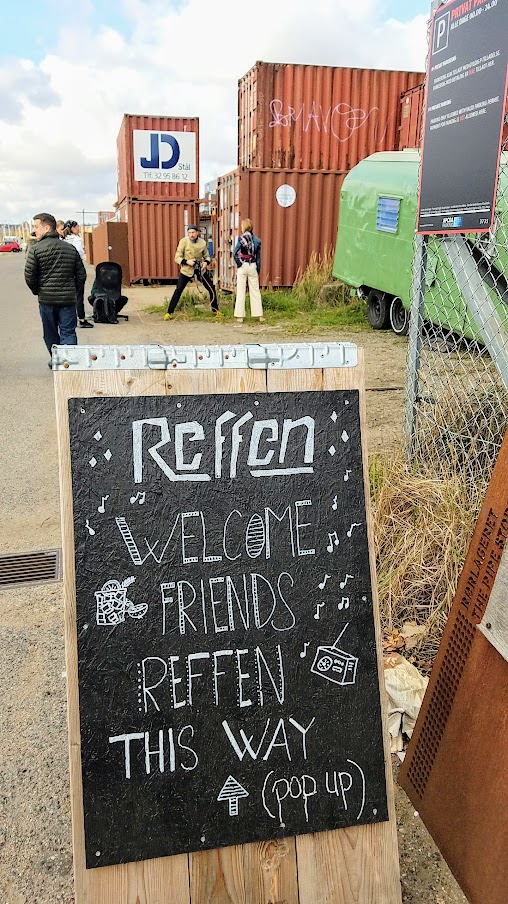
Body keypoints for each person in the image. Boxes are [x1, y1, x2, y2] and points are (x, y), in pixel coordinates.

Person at [24, 212, 87, 368]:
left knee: (50, 334)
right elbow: (81, 275)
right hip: (67, 300)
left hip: (46, 301)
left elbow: (29, 275)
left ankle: (57, 360)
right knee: (68, 333)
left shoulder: (36, 249)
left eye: (37, 227)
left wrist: (38, 291)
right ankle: (68, 364)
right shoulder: (70, 249)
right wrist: (73, 290)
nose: (35, 230)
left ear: (47, 228)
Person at [164, 224, 219, 320]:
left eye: (193, 232)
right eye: (189, 233)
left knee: (211, 288)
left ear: (197, 233)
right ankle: (169, 312)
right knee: (178, 290)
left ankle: (216, 310)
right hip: (186, 270)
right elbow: (177, 257)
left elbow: (207, 256)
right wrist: (186, 261)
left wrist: (206, 262)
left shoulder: (202, 243)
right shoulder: (183, 242)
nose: (191, 235)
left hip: (199, 269)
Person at [233, 218, 264, 324]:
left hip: (243, 265)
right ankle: (259, 315)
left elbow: (234, 253)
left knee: (241, 290)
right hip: (253, 265)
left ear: (244, 227)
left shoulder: (241, 239)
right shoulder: (257, 240)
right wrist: (257, 269)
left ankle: (240, 317)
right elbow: (258, 257)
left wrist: (239, 263)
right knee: (255, 290)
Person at [63, 220, 92, 328]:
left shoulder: (63, 240)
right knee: (79, 295)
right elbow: (79, 254)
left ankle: (70, 318)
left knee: (68, 296)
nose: (79, 228)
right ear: (73, 228)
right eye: (77, 227)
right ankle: (82, 319)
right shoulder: (77, 240)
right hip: (77, 269)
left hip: (66, 270)